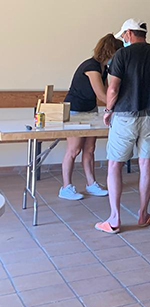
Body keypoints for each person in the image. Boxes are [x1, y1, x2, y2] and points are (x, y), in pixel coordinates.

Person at [96, 19, 150, 234]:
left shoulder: (121, 55)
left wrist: (108, 111)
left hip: (125, 116)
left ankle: (114, 219)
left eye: (123, 36)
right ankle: (143, 214)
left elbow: (113, 89)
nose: (123, 39)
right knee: (146, 164)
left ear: (128, 34)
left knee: (115, 164)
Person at [60, 34, 122, 200]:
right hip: (74, 111)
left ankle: (91, 183)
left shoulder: (104, 69)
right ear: (111, 52)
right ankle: (65, 187)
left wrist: (115, 103)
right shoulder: (91, 67)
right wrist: (115, 107)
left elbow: (109, 91)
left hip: (90, 110)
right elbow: (102, 95)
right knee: (74, 150)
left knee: (89, 149)